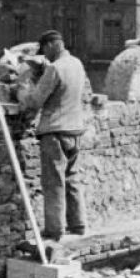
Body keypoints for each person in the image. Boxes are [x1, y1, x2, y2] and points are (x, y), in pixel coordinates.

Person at [18, 30, 87, 240]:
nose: (45, 56)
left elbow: (35, 101)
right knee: (72, 178)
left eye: (45, 51)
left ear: (50, 45)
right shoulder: (77, 64)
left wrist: (21, 90)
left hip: (55, 131)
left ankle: (54, 230)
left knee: (53, 181)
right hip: (75, 129)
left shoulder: (56, 68)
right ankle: (78, 224)